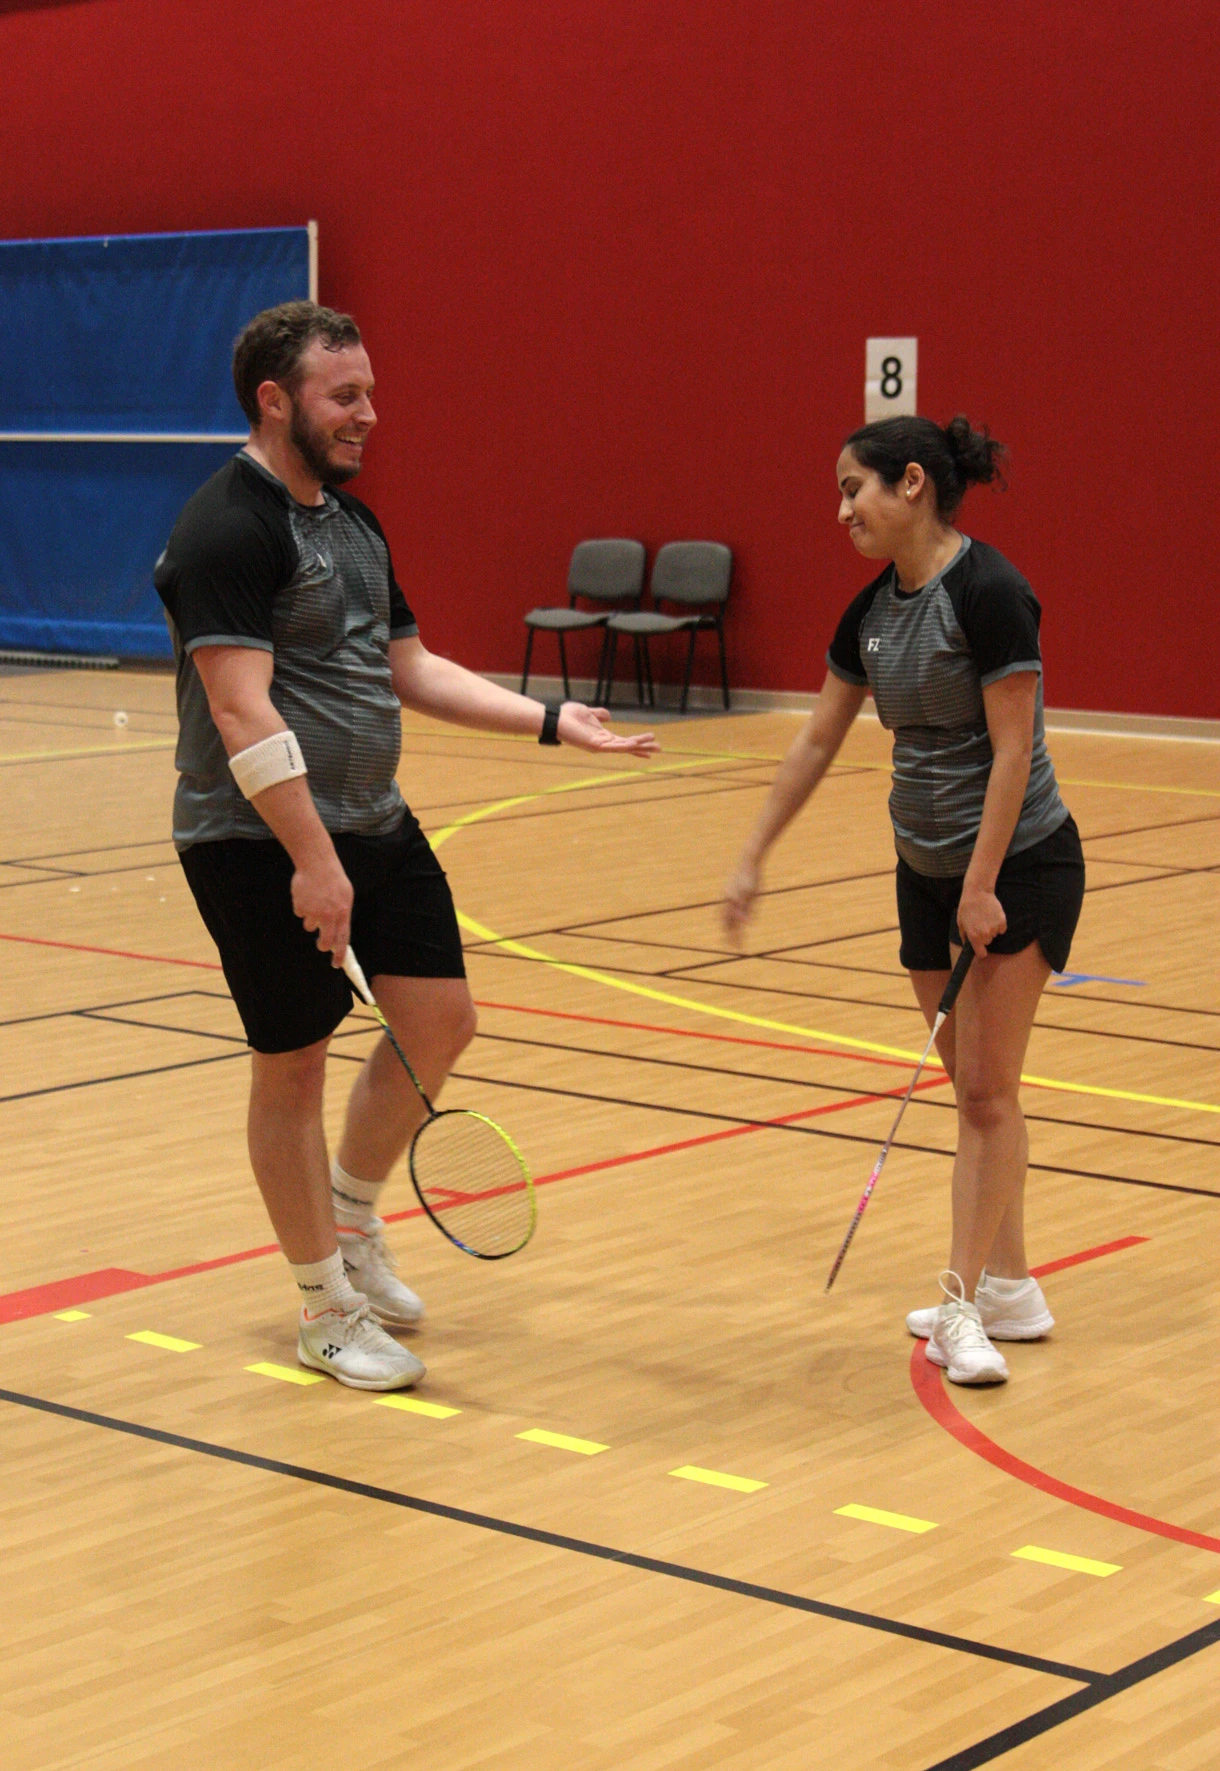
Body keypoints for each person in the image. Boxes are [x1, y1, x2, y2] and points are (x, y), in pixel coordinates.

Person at [155, 300, 658, 1392]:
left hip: (372, 816)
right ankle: (323, 1307)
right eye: (343, 396)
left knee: (440, 1018)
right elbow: (240, 710)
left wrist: (547, 719)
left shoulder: (351, 524)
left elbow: (408, 668)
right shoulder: (223, 530)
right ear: (274, 401)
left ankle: (349, 1219)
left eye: (370, 393)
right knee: (293, 1060)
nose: (368, 414)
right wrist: (312, 859)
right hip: (256, 837)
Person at [722, 414, 1084, 1386]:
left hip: (1016, 868)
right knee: (974, 1090)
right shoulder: (869, 614)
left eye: (854, 488)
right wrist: (753, 853)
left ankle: (964, 1305)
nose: (841, 510)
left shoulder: (990, 593)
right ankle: (1010, 1285)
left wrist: (982, 884)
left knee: (986, 1092)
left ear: (911, 483)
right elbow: (816, 738)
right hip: (922, 873)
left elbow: (1014, 748)